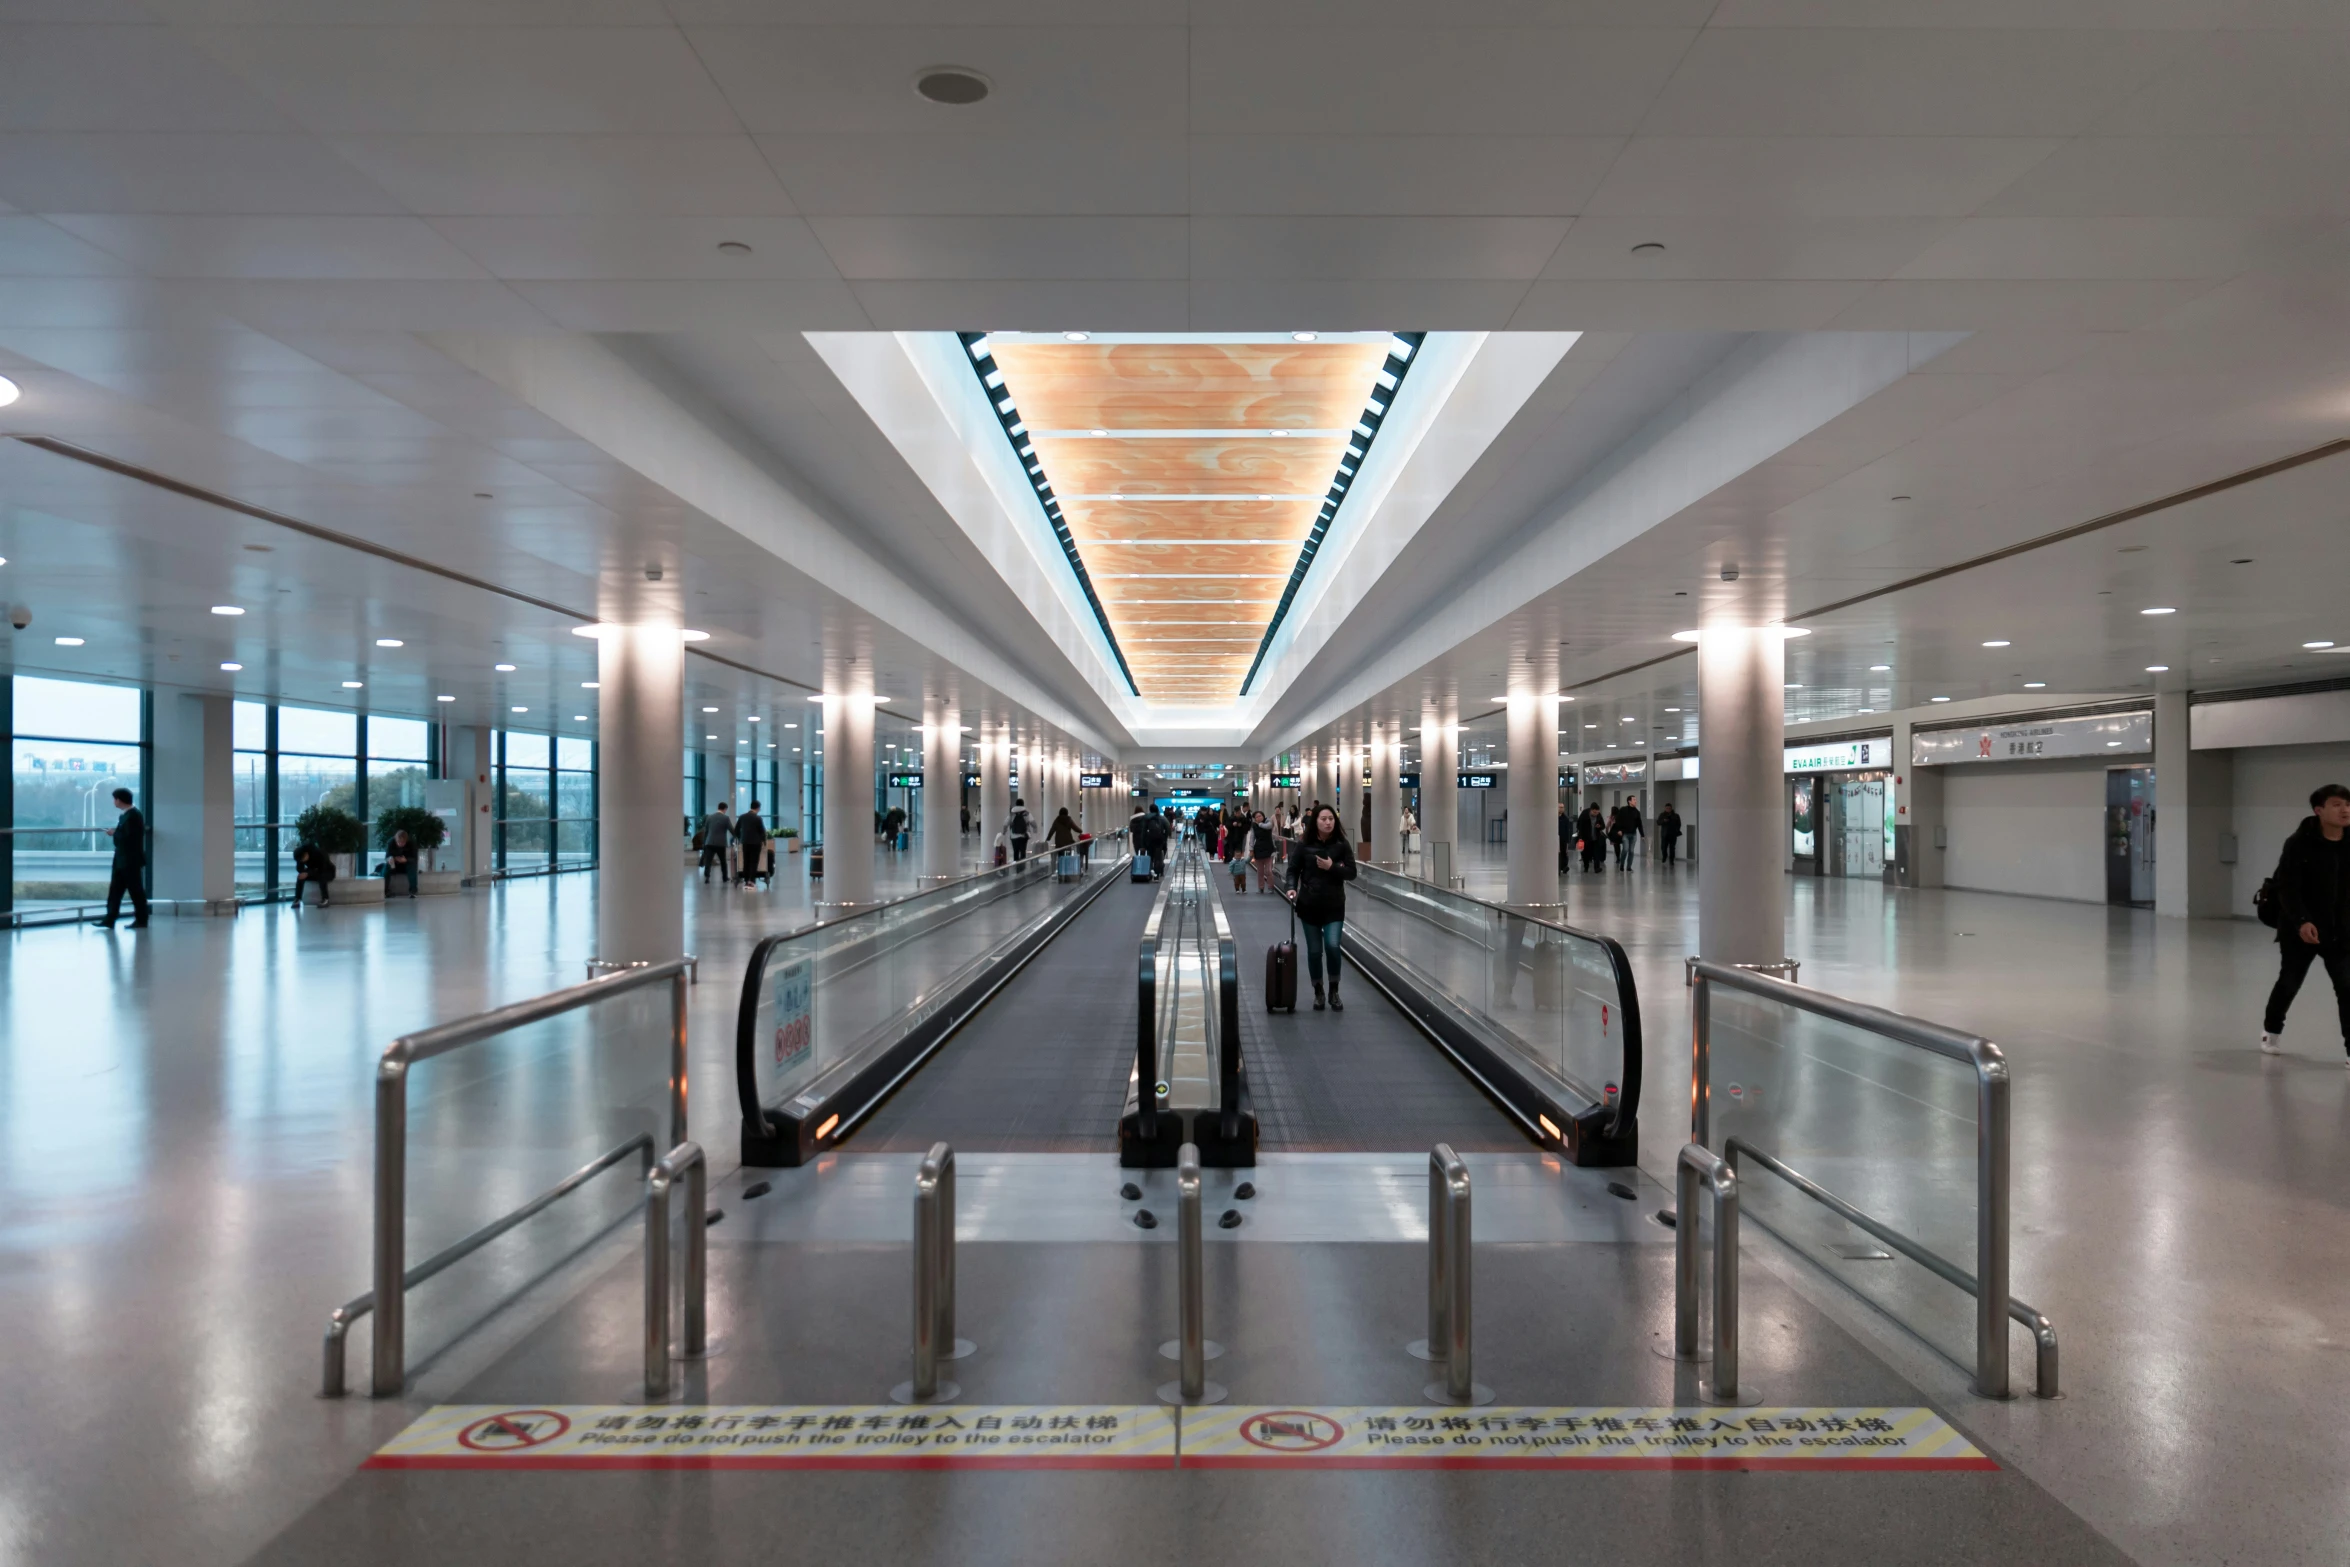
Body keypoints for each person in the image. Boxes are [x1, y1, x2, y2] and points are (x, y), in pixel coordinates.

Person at [2261, 783, 2350, 1062]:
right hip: (2300, 930)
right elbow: (2288, 888)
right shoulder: (2299, 843)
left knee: (2347, 987)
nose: (2345, 809)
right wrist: (2301, 922)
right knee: (2289, 982)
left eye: (2347, 804)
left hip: (2340, 931)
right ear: (2319, 810)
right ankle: (2271, 1030)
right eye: (2337, 804)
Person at [1286, 803, 1358, 1011]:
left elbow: (1352, 873)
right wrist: (1291, 887)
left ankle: (1334, 990)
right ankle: (1318, 990)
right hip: (1309, 904)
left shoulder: (1341, 845)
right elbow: (1293, 869)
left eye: (1331, 819)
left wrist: (1332, 867)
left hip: (1334, 904)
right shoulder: (1303, 845)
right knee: (1315, 951)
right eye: (1323, 819)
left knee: (1333, 946)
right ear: (1315, 822)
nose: (1328, 822)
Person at [89, 786, 150, 928]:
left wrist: (113, 834)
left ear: (119, 800)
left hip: (129, 861)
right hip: (123, 860)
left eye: (114, 799)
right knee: (116, 891)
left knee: (135, 891)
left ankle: (140, 919)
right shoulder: (129, 815)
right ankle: (110, 919)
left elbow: (127, 837)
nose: (113, 802)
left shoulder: (132, 815)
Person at [735, 800, 770, 886]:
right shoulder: (758, 818)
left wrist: (740, 838)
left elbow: (736, 830)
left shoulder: (742, 817)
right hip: (756, 843)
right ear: (758, 808)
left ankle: (746, 880)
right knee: (754, 862)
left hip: (745, 842)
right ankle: (752, 880)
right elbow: (762, 831)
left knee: (746, 861)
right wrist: (764, 841)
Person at [291, 843, 336, 908]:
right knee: (300, 877)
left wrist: (308, 873)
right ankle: (297, 899)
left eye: (303, 859)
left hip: (328, 871)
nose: (302, 861)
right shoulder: (300, 856)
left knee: (322, 876)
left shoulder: (320, 854)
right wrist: (303, 872)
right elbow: (300, 869)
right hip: (313, 871)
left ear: (306, 854)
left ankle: (325, 899)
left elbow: (322, 869)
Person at [697, 801, 732, 884]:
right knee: (723, 861)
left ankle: (707, 877)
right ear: (725, 809)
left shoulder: (709, 817)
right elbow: (731, 830)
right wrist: (737, 836)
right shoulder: (726, 818)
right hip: (721, 843)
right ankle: (724, 877)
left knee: (708, 861)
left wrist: (704, 842)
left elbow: (706, 831)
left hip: (709, 842)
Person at [381, 828, 421, 898]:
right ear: (395, 840)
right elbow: (387, 856)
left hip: (406, 865)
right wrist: (391, 858)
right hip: (395, 864)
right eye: (398, 842)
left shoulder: (411, 844)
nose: (400, 844)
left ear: (406, 841)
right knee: (386, 867)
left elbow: (415, 858)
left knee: (412, 866)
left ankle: (413, 891)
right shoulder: (391, 842)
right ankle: (385, 891)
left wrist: (406, 860)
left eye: (402, 842)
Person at [1250, 809, 1279, 894]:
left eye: (1260, 816)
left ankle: (1270, 887)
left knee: (1268, 870)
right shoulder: (1254, 826)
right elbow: (1252, 838)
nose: (1259, 818)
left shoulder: (1268, 822)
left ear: (1263, 816)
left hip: (1268, 849)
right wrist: (1251, 849)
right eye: (1256, 817)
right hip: (1258, 849)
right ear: (1254, 818)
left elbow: (1269, 826)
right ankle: (1261, 887)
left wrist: (1260, 824)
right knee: (1260, 871)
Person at [1613, 796, 1643, 870]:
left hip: (1633, 834)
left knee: (1631, 851)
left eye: (1636, 800)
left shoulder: (1637, 812)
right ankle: (1622, 864)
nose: (1636, 801)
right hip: (1625, 834)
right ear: (1629, 801)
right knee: (1625, 849)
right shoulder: (1623, 810)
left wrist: (1642, 835)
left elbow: (1639, 824)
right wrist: (1619, 830)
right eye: (1634, 800)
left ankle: (1629, 866)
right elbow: (1618, 820)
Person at [1008, 797, 1033, 862]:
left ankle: (1016, 866)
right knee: (1022, 852)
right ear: (1023, 804)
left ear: (1016, 804)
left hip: (1013, 836)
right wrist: (1035, 828)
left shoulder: (1012, 813)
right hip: (1023, 835)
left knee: (1015, 852)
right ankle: (1022, 868)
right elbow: (1033, 822)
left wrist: (1004, 831)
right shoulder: (1026, 813)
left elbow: (1006, 823)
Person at [1557, 801, 1573, 876]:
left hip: (1563, 839)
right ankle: (1558, 867)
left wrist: (1567, 841)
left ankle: (1564, 867)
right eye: (1560, 807)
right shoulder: (1554, 819)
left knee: (1564, 853)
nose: (1561, 809)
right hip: (1556, 839)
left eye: (1562, 807)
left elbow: (1567, 830)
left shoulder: (1565, 819)